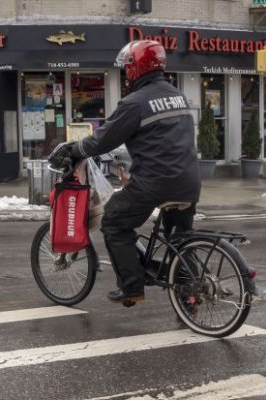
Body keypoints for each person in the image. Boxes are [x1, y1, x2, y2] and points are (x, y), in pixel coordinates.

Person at [49, 40, 201, 306]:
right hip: (188, 180)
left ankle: (132, 287)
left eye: (128, 66)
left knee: (115, 222)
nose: (126, 72)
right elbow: (164, 139)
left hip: (156, 182)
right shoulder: (177, 96)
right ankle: (191, 293)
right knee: (180, 238)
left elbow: (103, 140)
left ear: (136, 68)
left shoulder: (135, 102)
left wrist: (75, 150)